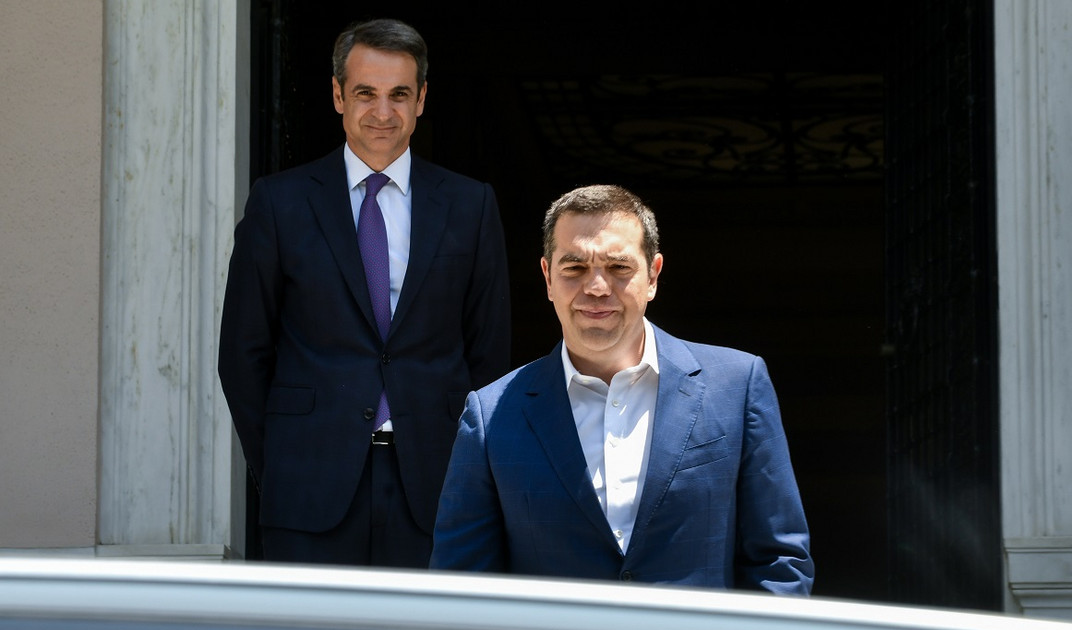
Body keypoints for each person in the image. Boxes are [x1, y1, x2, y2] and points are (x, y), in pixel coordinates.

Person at [218, 18, 510, 567]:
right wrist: (280, 464)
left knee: (430, 626)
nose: (383, 112)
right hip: (308, 485)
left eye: (399, 94)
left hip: (437, 484)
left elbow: (489, 356)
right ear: (337, 96)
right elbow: (242, 353)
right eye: (365, 94)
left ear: (421, 99)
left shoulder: (470, 206)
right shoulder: (279, 203)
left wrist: (472, 471)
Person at [431, 185, 813, 594]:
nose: (597, 287)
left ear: (653, 275)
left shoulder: (737, 386)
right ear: (547, 277)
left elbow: (779, 564)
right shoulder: (491, 416)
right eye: (574, 267)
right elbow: (462, 588)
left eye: (618, 267)